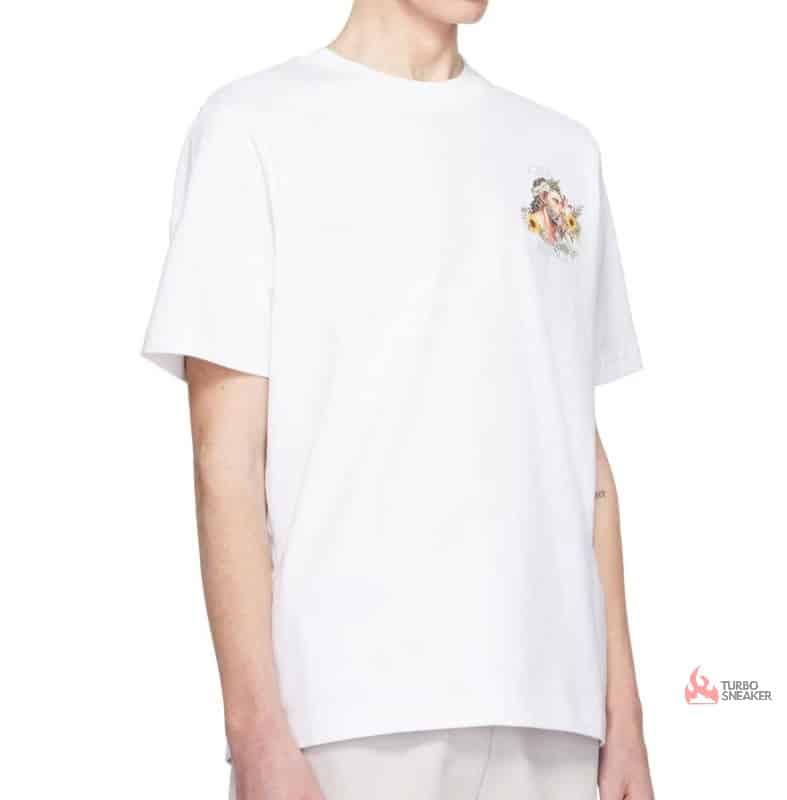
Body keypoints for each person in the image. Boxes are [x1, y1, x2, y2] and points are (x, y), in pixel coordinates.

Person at [142, 1, 655, 798]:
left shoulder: (560, 151)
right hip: (351, 719)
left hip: (556, 717)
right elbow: (227, 461)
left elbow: (582, 465)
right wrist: (256, 736)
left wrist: (626, 722)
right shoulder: (253, 126)